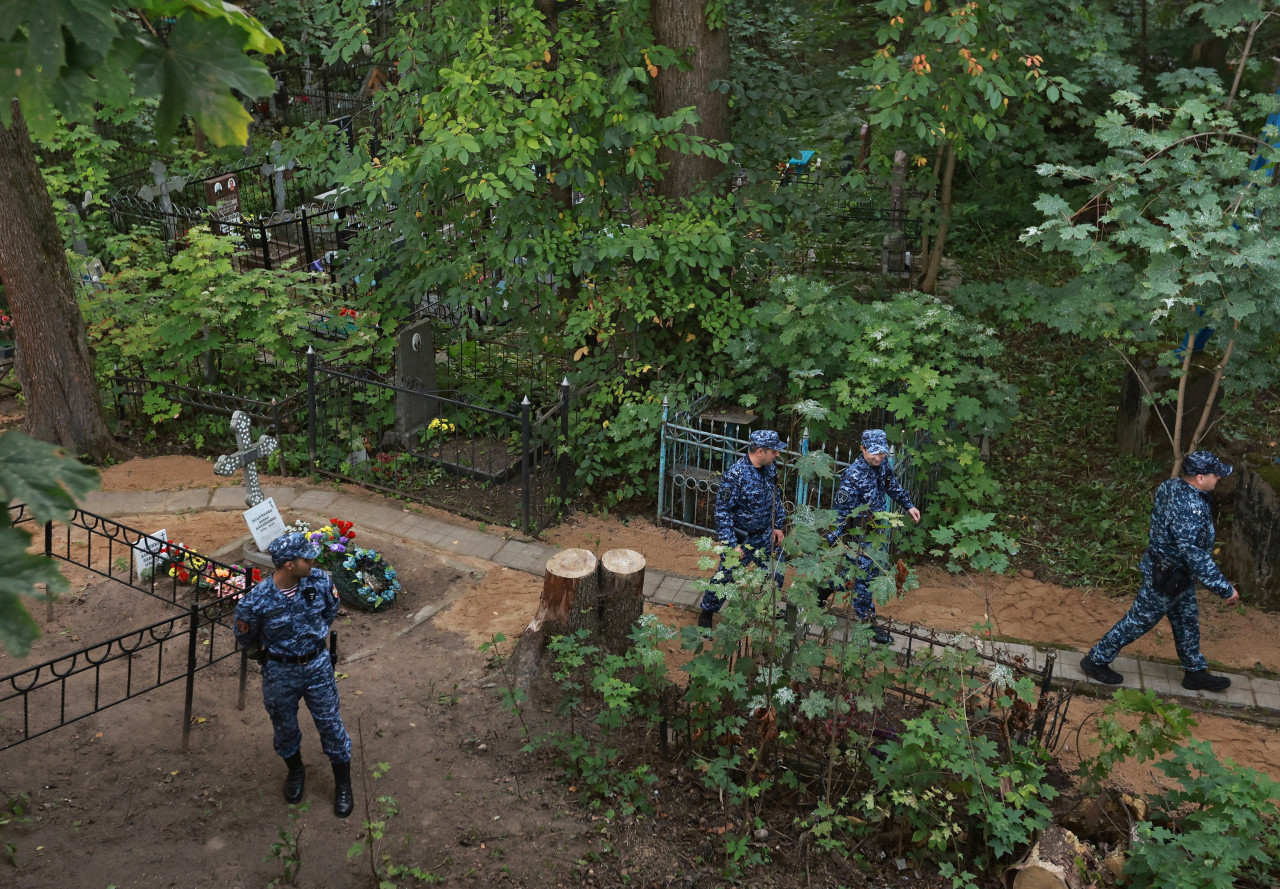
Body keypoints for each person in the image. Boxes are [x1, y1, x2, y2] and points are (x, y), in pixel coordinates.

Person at [1080, 451, 1241, 693]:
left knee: (1187, 621)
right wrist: (1223, 587)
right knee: (1139, 620)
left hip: (1175, 574)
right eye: (1214, 474)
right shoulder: (1190, 507)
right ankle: (1096, 660)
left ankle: (1195, 672)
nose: (1218, 478)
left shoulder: (1172, 485)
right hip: (1167, 577)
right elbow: (1193, 553)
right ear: (1199, 478)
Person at [235, 532, 355, 817]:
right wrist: (269, 658)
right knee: (283, 725)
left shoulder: (320, 581)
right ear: (289, 564)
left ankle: (343, 784)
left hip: (317, 667)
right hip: (280, 672)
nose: (313, 560)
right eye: (306, 557)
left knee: (330, 723)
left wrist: (314, 639)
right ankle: (296, 771)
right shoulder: (256, 601)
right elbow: (246, 638)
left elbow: (330, 609)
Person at [820, 429, 921, 644]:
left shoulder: (882, 464)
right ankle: (868, 623)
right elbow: (840, 511)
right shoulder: (853, 475)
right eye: (873, 453)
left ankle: (824, 589)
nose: (878, 458)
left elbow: (891, 486)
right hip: (858, 535)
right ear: (862, 449)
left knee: (856, 574)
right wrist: (832, 541)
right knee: (863, 580)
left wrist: (908, 505)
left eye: (882, 454)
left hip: (876, 532)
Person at [699, 429, 789, 629]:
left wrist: (777, 525)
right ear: (760, 451)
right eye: (774, 451)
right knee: (726, 576)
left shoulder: (770, 469)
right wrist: (731, 544)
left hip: (766, 535)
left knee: (776, 572)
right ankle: (707, 611)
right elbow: (722, 512)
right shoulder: (736, 475)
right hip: (742, 538)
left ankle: (767, 608)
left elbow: (776, 498)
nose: (778, 455)